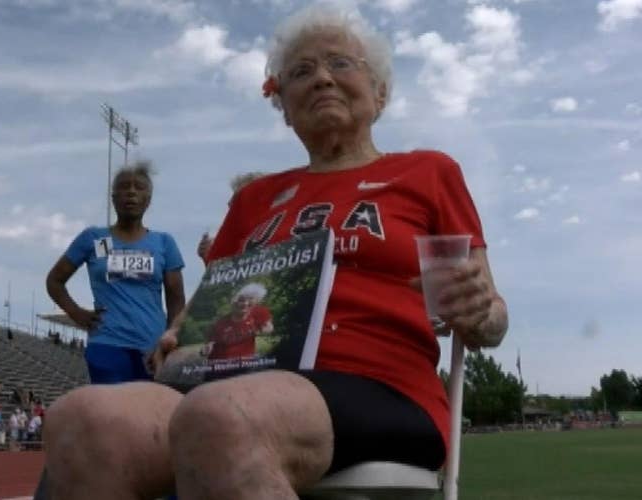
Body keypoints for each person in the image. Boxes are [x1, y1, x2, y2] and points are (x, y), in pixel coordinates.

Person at [41, 4, 508, 499]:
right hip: (236, 379)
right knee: (81, 420)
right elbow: (205, 305)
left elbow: (490, 316)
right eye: (302, 71)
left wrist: (480, 312)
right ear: (283, 105)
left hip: (381, 382)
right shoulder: (253, 200)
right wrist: (177, 335)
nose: (322, 78)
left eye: (341, 64)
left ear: (381, 92)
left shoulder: (427, 173)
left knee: (220, 416)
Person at [46, 161, 186, 384]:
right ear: (113, 198)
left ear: (148, 200)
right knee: (112, 414)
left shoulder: (164, 243)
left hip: (151, 348)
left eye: (139, 187)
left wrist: (169, 342)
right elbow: (54, 280)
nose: (131, 191)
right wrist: (76, 312)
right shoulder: (94, 238)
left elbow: (176, 302)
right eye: (124, 186)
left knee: (148, 414)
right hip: (107, 344)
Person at [201, 283, 274, 361]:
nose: (246, 303)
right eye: (241, 300)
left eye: (250, 299)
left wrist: (266, 329)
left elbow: (269, 327)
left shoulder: (259, 312)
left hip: (246, 363)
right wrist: (205, 350)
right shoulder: (219, 323)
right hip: (221, 365)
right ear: (233, 303)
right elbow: (207, 347)